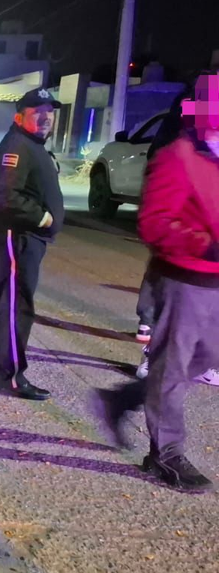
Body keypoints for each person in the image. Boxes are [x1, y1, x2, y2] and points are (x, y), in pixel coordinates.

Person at [96, 74, 219, 492]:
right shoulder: (177, 156)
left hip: (216, 283)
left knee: (202, 362)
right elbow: (153, 223)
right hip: (185, 279)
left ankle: (123, 399)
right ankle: (164, 455)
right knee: (173, 366)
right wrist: (204, 244)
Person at [0, 88, 65, 400]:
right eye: (37, 111)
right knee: (15, 306)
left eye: (49, 111)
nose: (46, 116)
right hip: (17, 236)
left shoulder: (32, 145)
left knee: (0, 299)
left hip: (23, 237)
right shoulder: (18, 146)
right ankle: (10, 376)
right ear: (19, 117)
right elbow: (4, 196)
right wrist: (43, 219)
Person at [130, 85, 219, 387]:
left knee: (207, 348)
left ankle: (132, 394)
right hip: (183, 265)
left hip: (210, 269)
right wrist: (203, 244)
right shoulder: (179, 148)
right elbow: (155, 222)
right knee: (171, 344)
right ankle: (151, 356)